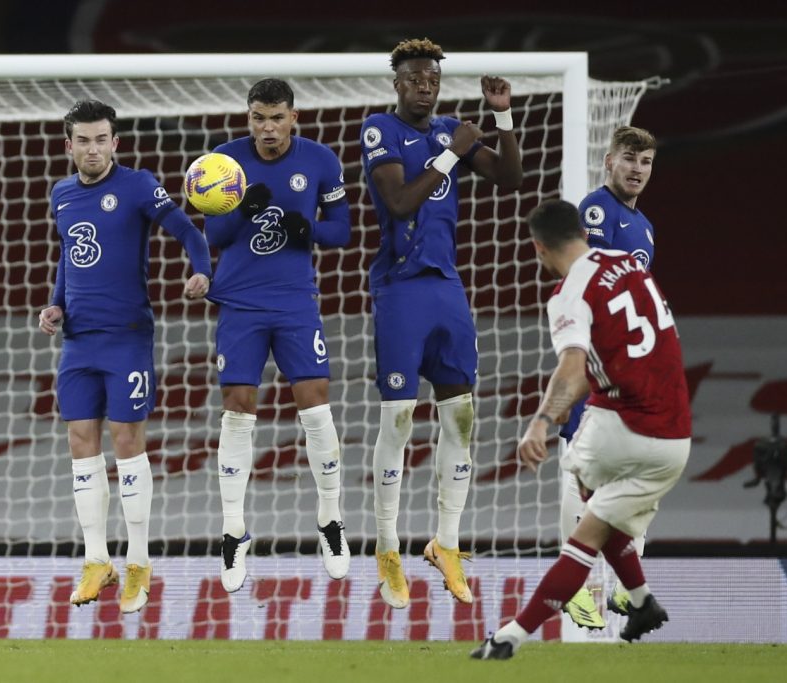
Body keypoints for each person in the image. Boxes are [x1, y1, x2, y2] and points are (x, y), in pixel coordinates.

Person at [471, 199, 690, 660]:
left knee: (583, 529)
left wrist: (540, 423)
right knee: (600, 515)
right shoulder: (629, 263)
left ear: (539, 247)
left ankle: (509, 637)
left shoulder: (569, 293)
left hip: (624, 426)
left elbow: (572, 368)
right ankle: (642, 601)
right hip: (676, 438)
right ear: (584, 233)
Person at [359, 38, 523, 608]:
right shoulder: (380, 129)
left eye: (432, 79)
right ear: (397, 83)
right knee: (399, 417)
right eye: (414, 78)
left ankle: (445, 543)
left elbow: (509, 178)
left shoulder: (451, 129)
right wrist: (452, 154)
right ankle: (387, 546)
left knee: (461, 414)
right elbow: (400, 202)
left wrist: (502, 117)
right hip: (400, 287)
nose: (425, 86)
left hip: (447, 287)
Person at [38, 100, 212, 614]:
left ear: (115, 143)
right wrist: (55, 304)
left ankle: (138, 561)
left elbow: (187, 230)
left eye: (101, 140)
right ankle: (97, 560)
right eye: (83, 141)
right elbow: (69, 255)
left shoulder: (137, 186)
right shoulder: (62, 194)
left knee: (127, 441)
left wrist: (202, 270)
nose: (93, 149)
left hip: (127, 337)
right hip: (78, 341)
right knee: (79, 440)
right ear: (69, 146)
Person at [203, 78, 352, 593]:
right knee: (237, 409)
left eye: (276, 118)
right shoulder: (224, 161)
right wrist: (242, 208)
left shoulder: (320, 160)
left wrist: (306, 228)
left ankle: (330, 520)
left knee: (315, 404)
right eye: (258, 118)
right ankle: (233, 530)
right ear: (249, 118)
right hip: (240, 302)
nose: (267, 128)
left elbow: (342, 230)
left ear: (294, 118)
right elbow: (214, 237)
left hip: (294, 301)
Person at [559, 126, 658, 630]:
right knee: (580, 469)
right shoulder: (596, 210)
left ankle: (623, 584)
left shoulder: (645, 227)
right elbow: (588, 282)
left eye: (645, 161)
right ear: (609, 161)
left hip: (630, 366)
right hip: (596, 361)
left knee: (642, 467)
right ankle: (573, 585)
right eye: (629, 158)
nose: (637, 168)